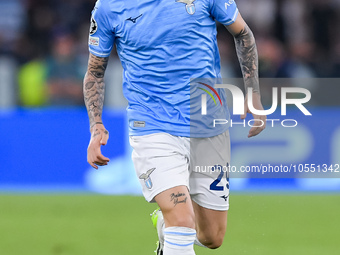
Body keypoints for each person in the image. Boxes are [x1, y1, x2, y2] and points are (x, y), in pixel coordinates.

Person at [83, 1, 266, 255]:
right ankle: (173, 228)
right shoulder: (109, 7)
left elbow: (243, 33)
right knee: (181, 220)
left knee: (212, 236)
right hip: (152, 126)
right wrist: (96, 125)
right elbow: (95, 71)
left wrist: (253, 92)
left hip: (208, 124)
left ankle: (163, 226)